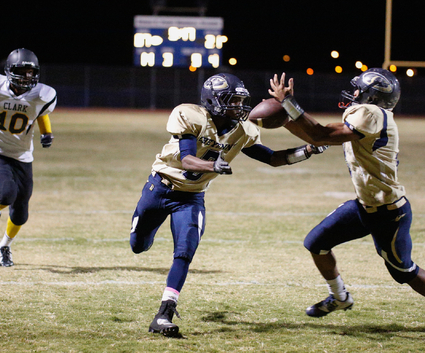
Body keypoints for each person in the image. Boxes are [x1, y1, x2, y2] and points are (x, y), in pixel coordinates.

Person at [130, 73, 327, 337]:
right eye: (231, 100)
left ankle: (164, 313)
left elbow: (272, 158)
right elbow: (188, 159)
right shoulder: (190, 115)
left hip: (192, 196)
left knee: (185, 252)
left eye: (240, 100)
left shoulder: (243, 130)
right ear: (213, 100)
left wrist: (307, 150)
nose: (238, 106)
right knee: (138, 246)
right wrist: (212, 165)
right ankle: (143, 237)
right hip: (161, 187)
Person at [268, 68, 425, 329]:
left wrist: (288, 105)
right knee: (316, 243)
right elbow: (319, 133)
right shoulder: (371, 117)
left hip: (389, 212)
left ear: (372, 96)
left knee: (402, 272)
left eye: (359, 89)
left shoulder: (373, 114)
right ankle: (340, 297)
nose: (354, 92)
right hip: (364, 206)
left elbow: (321, 134)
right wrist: (283, 118)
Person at [0, 48, 57, 267]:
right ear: (10, 71)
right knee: (6, 194)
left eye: (30, 72)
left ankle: (4, 246)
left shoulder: (42, 95)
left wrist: (46, 133)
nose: (27, 77)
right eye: (22, 71)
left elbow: (40, 112)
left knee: (21, 214)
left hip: (23, 157)